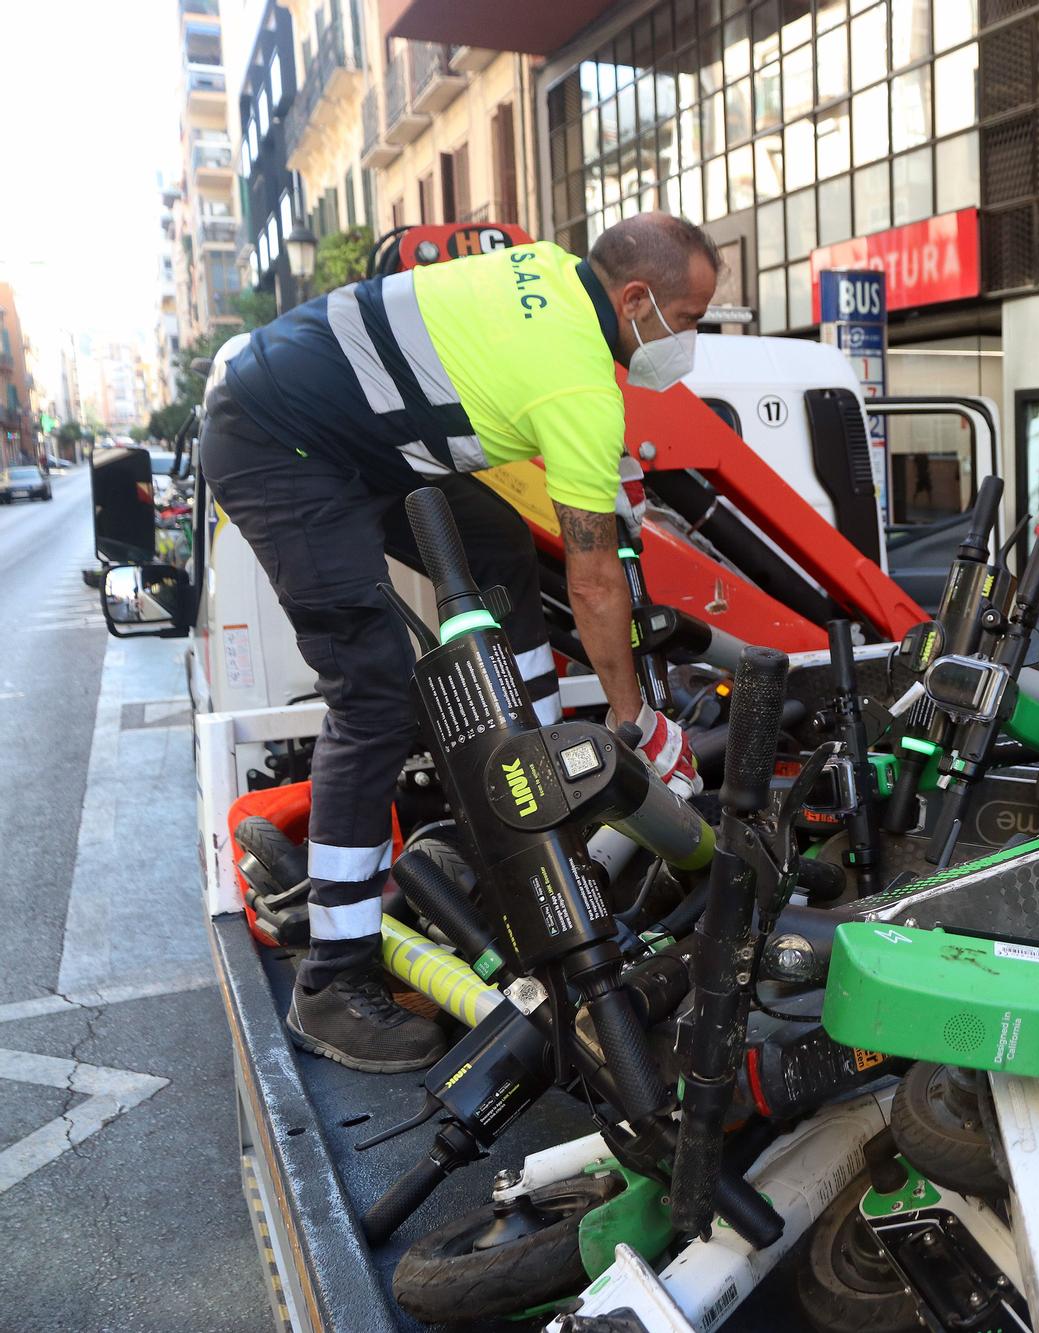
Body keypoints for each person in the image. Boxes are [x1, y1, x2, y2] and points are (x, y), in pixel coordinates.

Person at [200, 215, 718, 1072]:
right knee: (372, 694)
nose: (689, 339)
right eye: (689, 318)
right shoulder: (577, 384)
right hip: (275, 439)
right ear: (635, 299)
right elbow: (595, 583)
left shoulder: (548, 270)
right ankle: (331, 981)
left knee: (497, 549)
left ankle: (537, 786)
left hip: (347, 431)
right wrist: (635, 721)